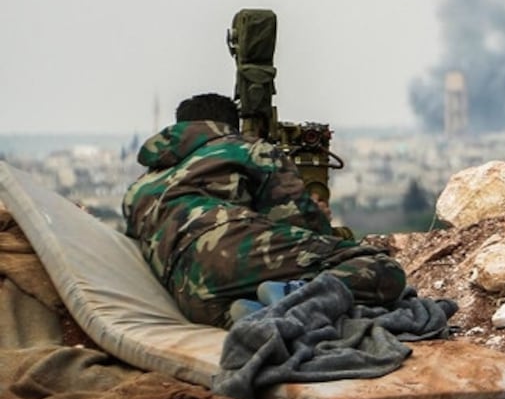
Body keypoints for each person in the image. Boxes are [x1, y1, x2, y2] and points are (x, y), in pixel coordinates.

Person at [123, 92, 406, 327]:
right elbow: (304, 224)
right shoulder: (246, 149)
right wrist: (321, 219)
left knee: (242, 308)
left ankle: (258, 309)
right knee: (384, 270)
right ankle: (290, 296)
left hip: (190, 297)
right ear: (228, 126)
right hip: (230, 250)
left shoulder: (140, 188)